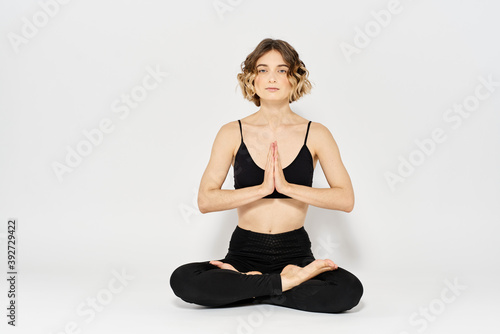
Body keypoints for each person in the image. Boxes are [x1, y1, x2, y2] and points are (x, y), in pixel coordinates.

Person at [170, 38, 363, 313]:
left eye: (282, 70)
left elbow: (345, 199)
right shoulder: (231, 132)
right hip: (243, 254)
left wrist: (286, 186)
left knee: (349, 291)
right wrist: (261, 189)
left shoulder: (317, 133)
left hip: (295, 253)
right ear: (252, 78)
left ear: (294, 78)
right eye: (262, 70)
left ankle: (253, 288)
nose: (272, 77)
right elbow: (205, 200)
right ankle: (286, 284)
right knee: (183, 280)